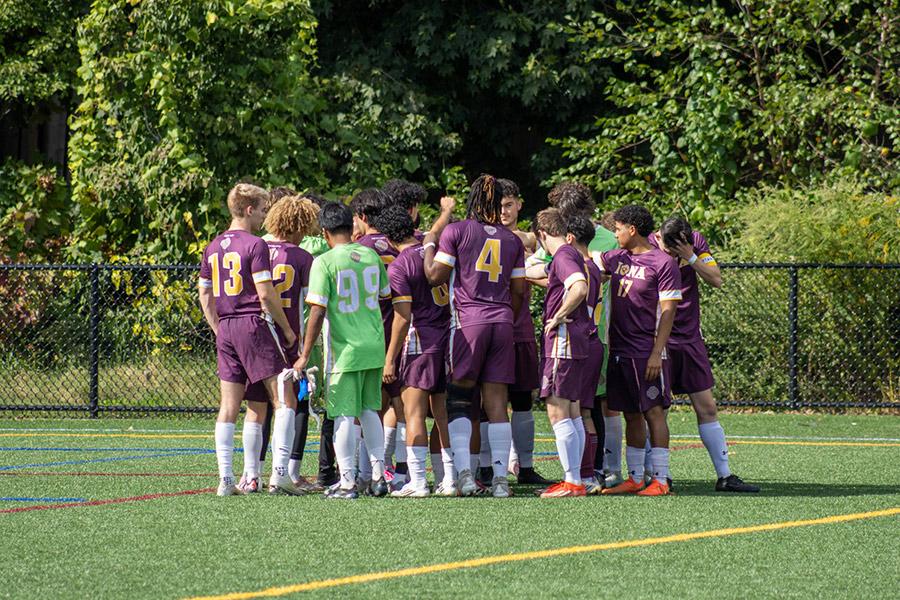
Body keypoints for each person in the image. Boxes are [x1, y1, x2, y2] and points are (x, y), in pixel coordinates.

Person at [423, 174, 527, 498]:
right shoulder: (512, 240)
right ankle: (499, 481)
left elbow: (433, 275)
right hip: (502, 321)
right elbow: (520, 291)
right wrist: (503, 312)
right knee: (497, 403)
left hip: (469, 322)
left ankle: (464, 476)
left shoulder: (457, 230)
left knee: (459, 399)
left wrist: (429, 244)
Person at [197, 183, 300, 496]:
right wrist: (287, 330)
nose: (265, 216)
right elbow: (266, 294)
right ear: (249, 209)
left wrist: (219, 329)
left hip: (227, 326)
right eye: (262, 209)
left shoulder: (212, 246)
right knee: (283, 398)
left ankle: (227, 479)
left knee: (232, 406)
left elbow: (204, 294)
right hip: (253, 324)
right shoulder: (255, 245)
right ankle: (280, 473)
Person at [650, 216, 759, 493]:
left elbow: (716, 278)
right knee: (657, 408)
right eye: (669, 248)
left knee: (707, 406)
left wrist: (691, 256)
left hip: (689, 337)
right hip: (655, 338)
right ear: (660, 238)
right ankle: (661, 476)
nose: (671, 254)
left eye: (677, 250)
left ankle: (724, 476)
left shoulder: (694, 243)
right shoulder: (647, 245)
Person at [292, 202, 391, 499]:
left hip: (345, 349)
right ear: (352, 226)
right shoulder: (372, 256)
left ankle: (347, 481)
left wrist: (304, 353)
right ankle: (377, 475)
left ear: (324, 233)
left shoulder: (324, 261)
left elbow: (318, 312)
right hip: (374, 345)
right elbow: (384, 296)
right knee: (369, 410)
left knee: (344, 415)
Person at [374, 200, 457, 496]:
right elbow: (436, 231)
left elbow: (402, 316)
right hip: (446, 338)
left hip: (419, 343)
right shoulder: (429, 246)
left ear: (386, 237)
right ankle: (450, 479)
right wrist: (446, 211)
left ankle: (418, 481)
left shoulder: (399, 266)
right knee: (444, 414)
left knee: (414, 415)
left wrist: (389, 360)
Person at [599, 205, 682, 497]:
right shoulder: (616, 258)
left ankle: (661, 479)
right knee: (631, 414)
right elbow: (584, 263)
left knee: (653, 412)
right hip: (619, 349)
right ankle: (635, 478)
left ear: (632, 230)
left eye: (618, 228)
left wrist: (656, 353)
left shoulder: (662, 263)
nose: (615, 234)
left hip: (646, 350)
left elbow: (669, 311)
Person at [239, 196, 318, 493]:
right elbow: (311, 304)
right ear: (299, 224)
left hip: (253, 333)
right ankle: (280, 472)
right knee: (287, 402)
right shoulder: (301, 257)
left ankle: (251, 475)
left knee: (256, 407)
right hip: (285, 336)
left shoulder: (253, 248)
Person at [525, 209, 591, 498]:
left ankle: (572, 481)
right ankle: (575, 479)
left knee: (557, 409)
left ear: (541, 234)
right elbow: (545, 274)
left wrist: (558, 315)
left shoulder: (563, 256)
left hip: (562, 341)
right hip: (577, 341)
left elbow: (578, 287)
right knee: (573, 411)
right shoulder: (570, 254)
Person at [351, 188, 408, 489]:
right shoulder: (398, 248)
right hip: (400, 331)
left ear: (361, 216)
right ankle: (402, 469)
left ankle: (365, 474)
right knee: (399, 403)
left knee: (367, 407)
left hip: (369, 334)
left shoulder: (359, 249)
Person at [497, 178, 552, 486]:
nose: (503, 211)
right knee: (490, 401)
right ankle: (491, 466)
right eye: (498, 206)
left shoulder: (530, 240)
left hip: (519, 330)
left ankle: (525, 466)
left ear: (519, 204)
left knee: (521, 399)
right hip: (494, 326)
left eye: (508, 204)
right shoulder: (489, 236)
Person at [565, 214, 605, 495]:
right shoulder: (594, 268)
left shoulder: (576, 267)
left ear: (569, 238)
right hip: (595, 340)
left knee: (576, 411)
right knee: (586, 411)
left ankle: (584, 475)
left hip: (581, 340)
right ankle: (590, 475)